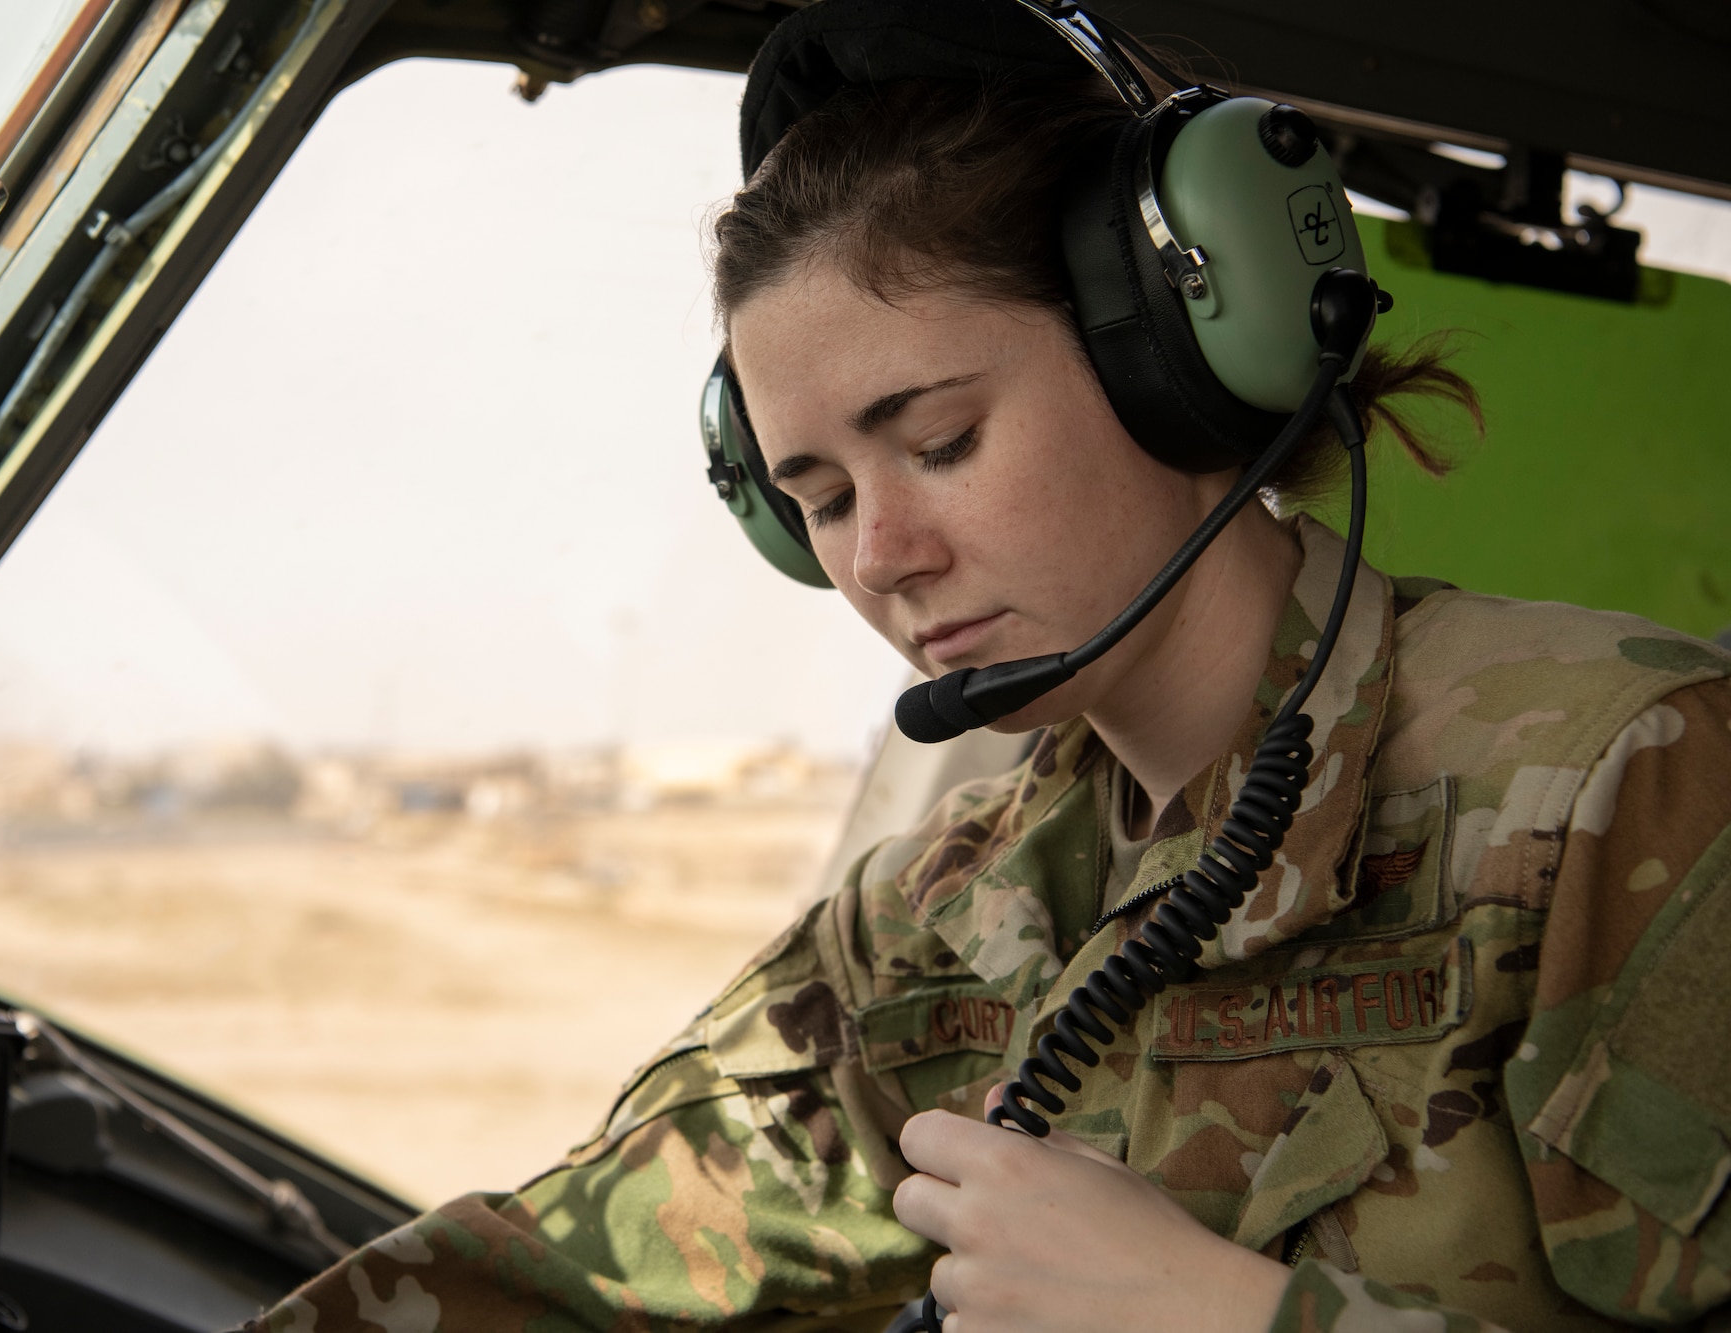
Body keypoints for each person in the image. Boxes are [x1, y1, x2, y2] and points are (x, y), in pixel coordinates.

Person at [248, 3, 1731, 1330]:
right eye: (819, 499)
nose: (881, 550)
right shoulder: (938, 922)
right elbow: (560, 1275)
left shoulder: (1621, 785)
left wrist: (1231, 1319)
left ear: (1169, 351)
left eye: (942, 440)